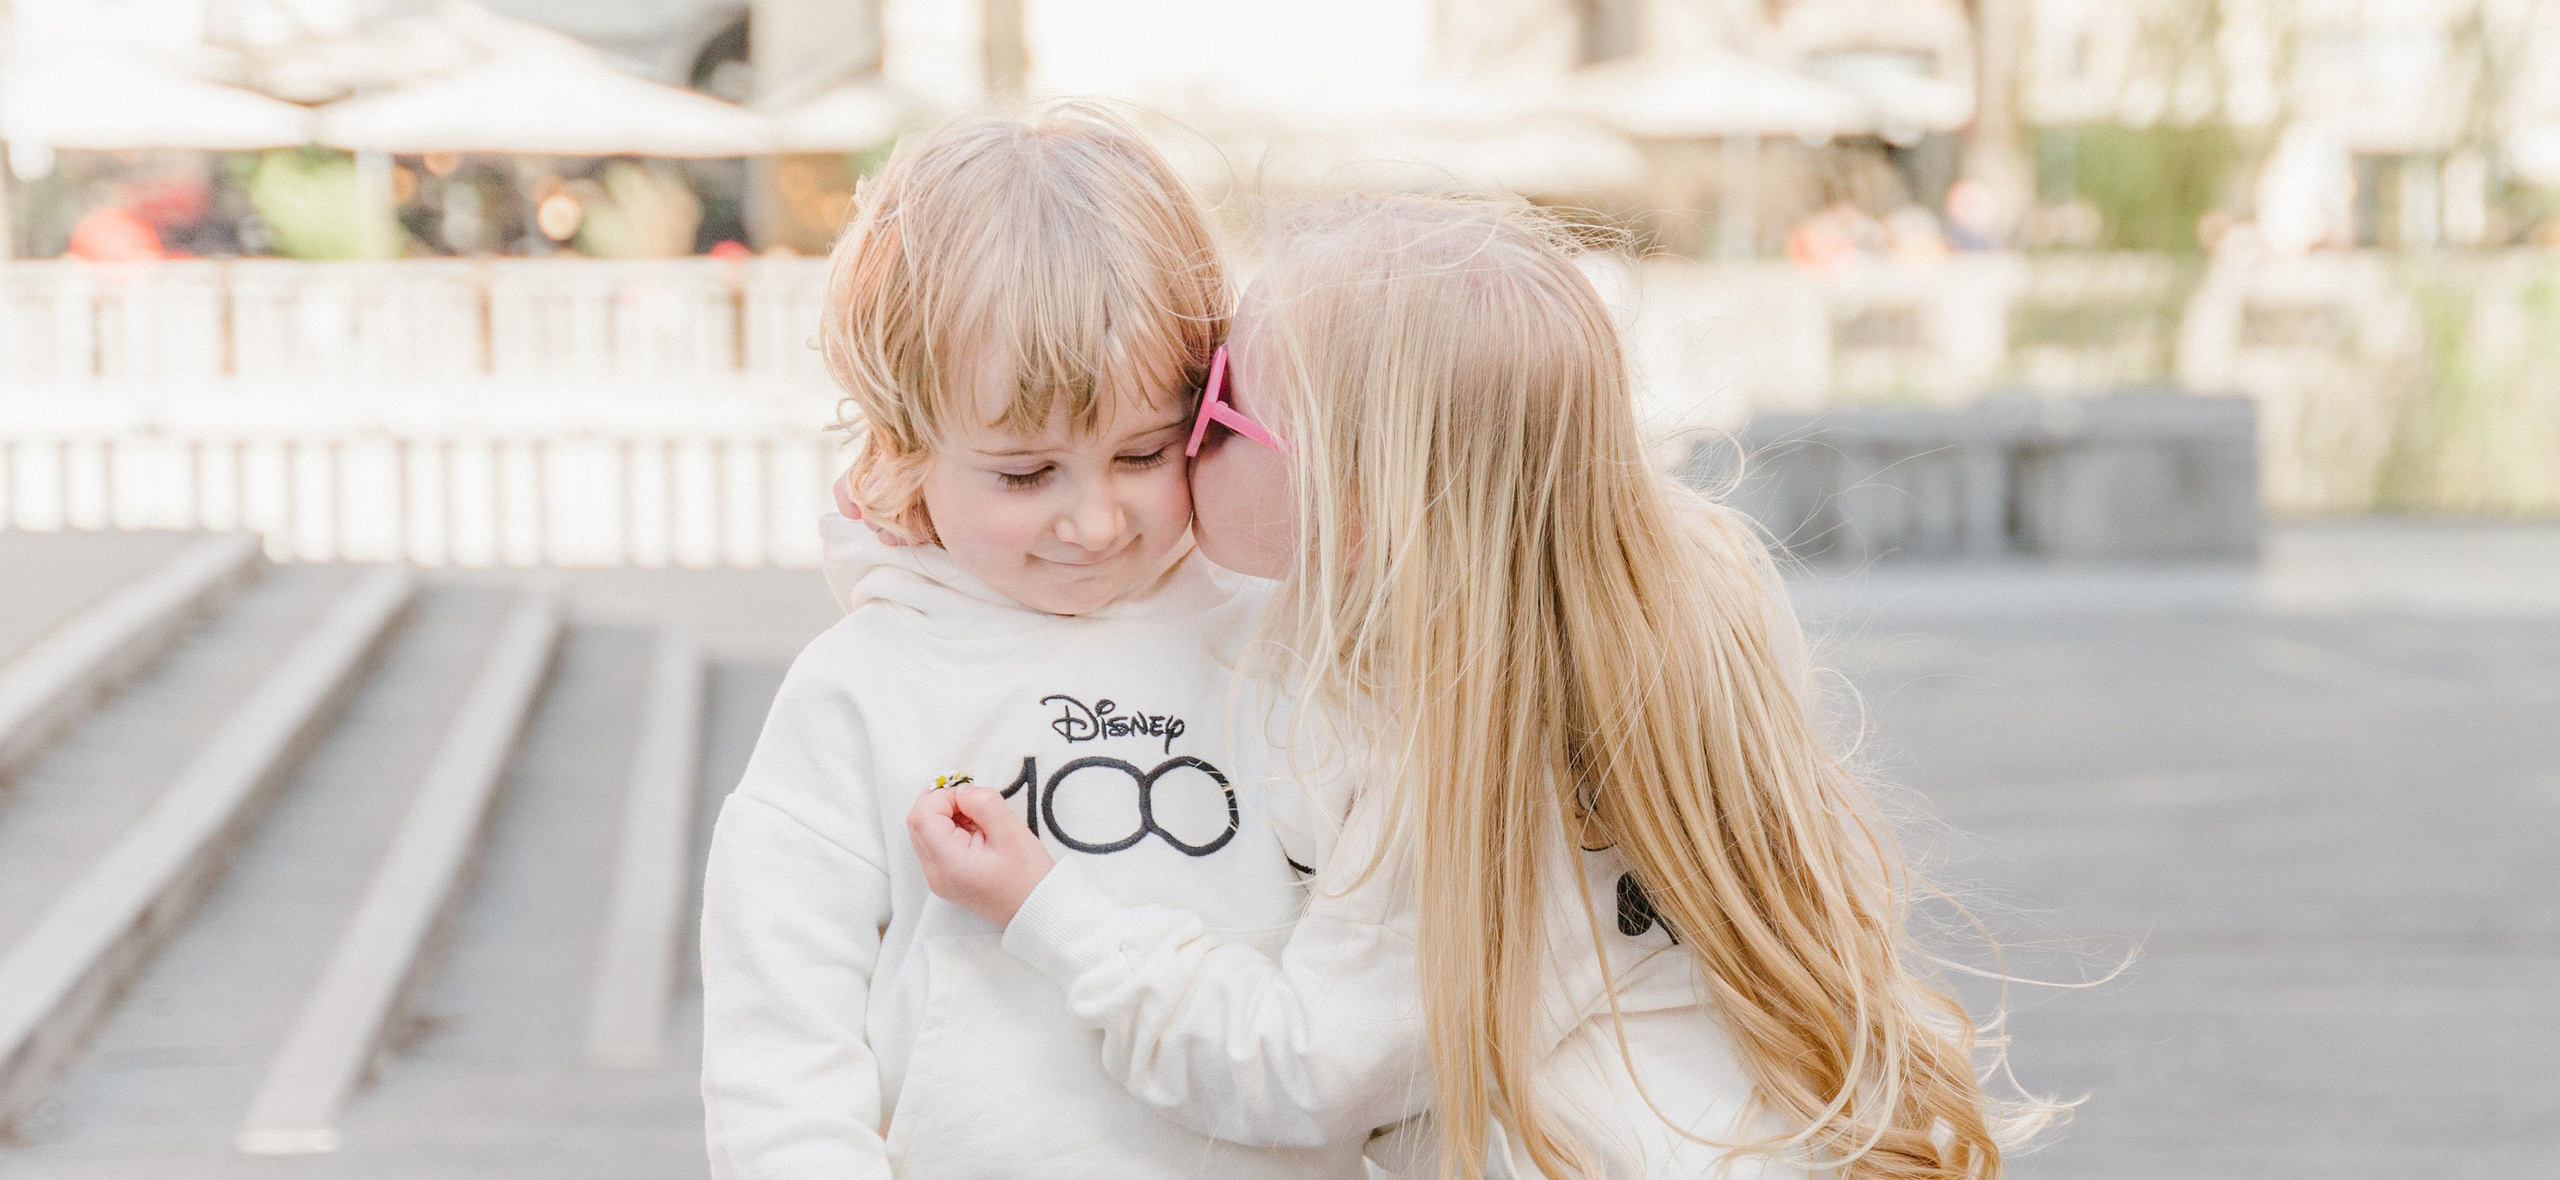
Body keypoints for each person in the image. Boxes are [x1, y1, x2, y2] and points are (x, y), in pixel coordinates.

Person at [908, 195, 2063, 1179]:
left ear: (1355, 506)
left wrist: (1052, 912)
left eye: (1211, 409)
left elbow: (1302, 1072)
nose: (1177, 433)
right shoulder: (1676, 595)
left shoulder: (1436, 750)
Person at [696, 105, 1377, 1180]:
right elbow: (781, 1052)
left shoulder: (1291, 645)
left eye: (1144, 454)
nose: (1095, 522)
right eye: (1025, 474)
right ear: (905, 446)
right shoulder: (860, 690)